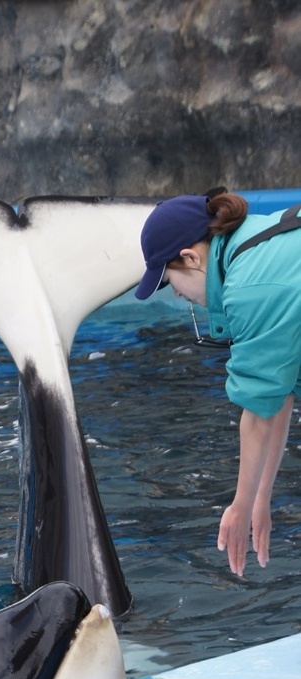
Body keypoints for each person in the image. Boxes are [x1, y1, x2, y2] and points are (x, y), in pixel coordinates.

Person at [135, 189, 300, 577]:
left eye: (171, 280)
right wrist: (261, 496)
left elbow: (258, 413)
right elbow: (276, 395)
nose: (177, 293)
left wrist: (240, 507)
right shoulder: (254, 245)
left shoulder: (248, 287)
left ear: (191, 257)